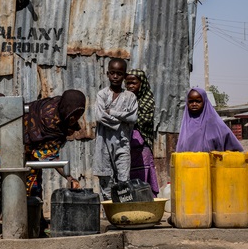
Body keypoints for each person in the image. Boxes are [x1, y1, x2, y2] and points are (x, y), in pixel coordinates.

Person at [23, 90, 86, 197]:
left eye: (78, 115)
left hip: (28, 155)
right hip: (11, 148)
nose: (74, 119)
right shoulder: (50, 121)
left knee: (32, 196)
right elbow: (51, 156)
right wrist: (69, 178)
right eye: (73, 114)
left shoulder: (60, 107)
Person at [93, 58, 139, 201]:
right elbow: (100, 116)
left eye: (119, 73)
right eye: (112, 73)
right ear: (107, 74)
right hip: (103, 143)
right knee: (105, 178)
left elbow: (133, 118)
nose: (115, 76)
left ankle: (122, 210)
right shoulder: (102, 95)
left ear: (124, 76)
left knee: (124, 179)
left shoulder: (130, 97)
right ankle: (108, 211)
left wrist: (112, 113)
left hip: (122, 143)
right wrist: (121, 119)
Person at [125, 69, 159, 196]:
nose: (130, 86)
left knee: (144, 173)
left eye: (134, 83)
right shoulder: (123, 98)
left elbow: (144, 120)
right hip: (126, 144)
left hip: (142, 144)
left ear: (142, 83)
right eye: (128, 83)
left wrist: (124, 117)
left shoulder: (147, 100)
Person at [176, 87, 243, 152]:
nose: (194, 104)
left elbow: (234, 148)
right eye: (191, 101)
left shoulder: (215, 123)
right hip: (187, 162)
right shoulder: (185, 125)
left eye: (198, 101)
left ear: (205, 102)